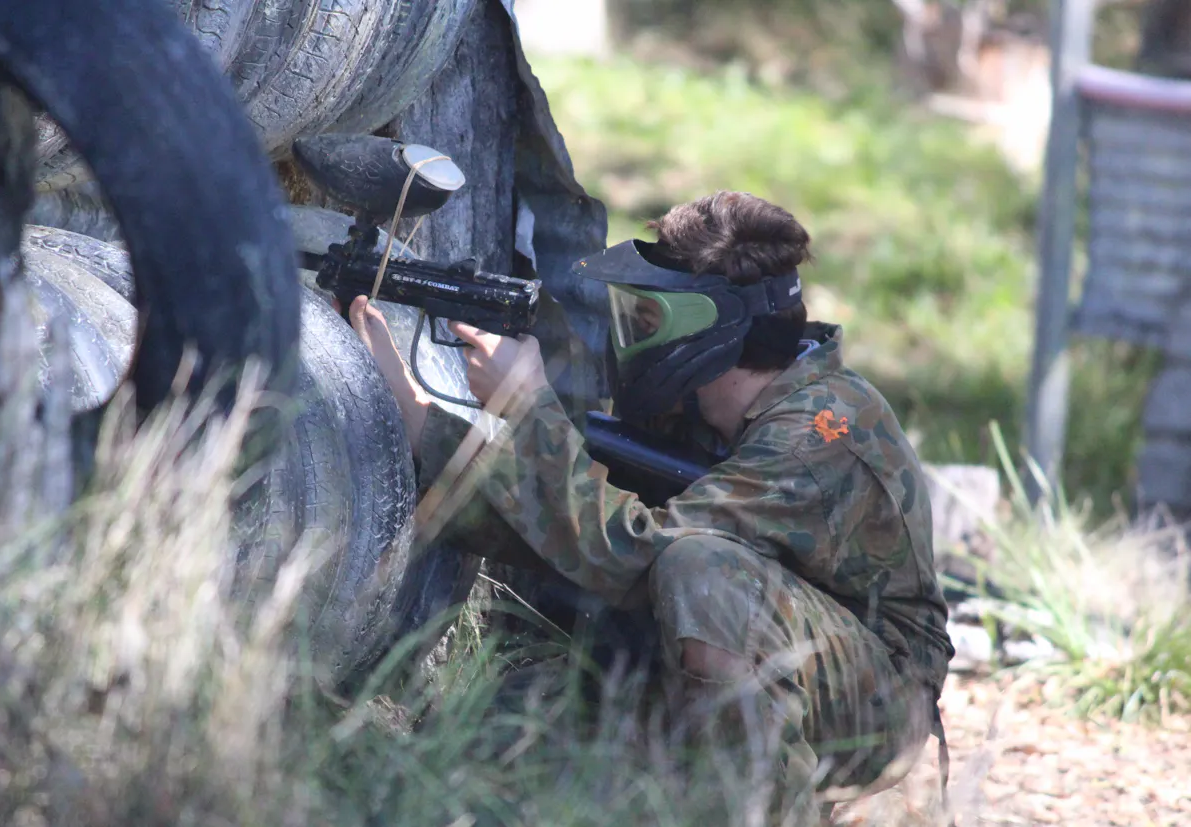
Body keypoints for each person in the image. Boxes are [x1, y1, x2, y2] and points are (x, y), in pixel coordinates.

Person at [347, 191, 954, 822]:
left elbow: (634, 556)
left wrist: (531, 411)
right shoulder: (704, 410)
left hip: (877, 699)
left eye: (644, 318)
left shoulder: (817, 433)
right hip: (722, 665)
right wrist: (418, 415)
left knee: (702, 571)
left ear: (706, 328)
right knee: (490, 748)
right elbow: (575, 518)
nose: (628, 334)